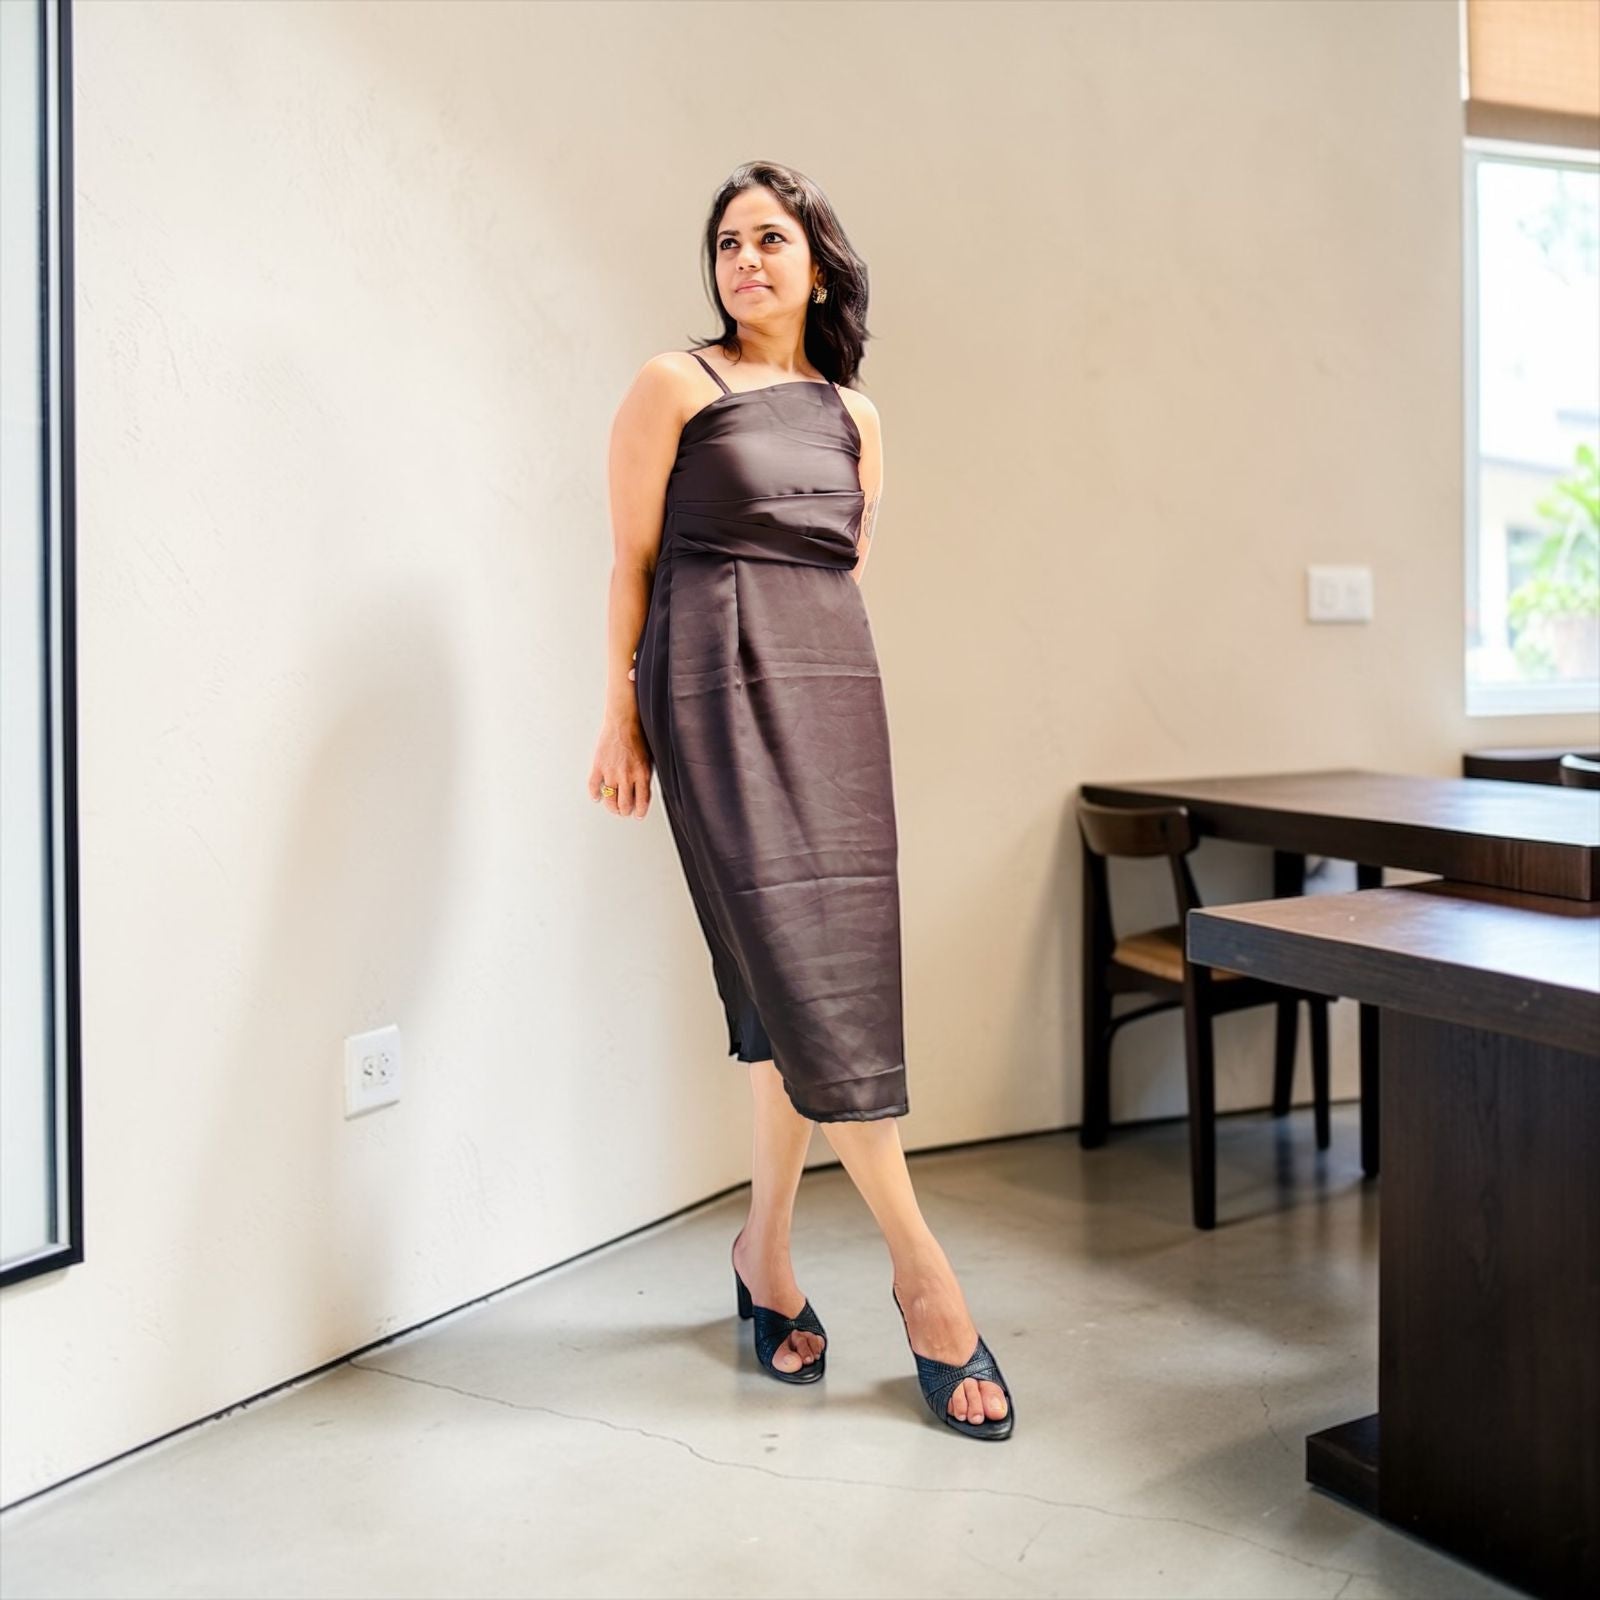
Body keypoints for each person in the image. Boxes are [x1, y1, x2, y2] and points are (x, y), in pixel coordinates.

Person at [588, 161, 1012, 1439]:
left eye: (769, 239)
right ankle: (923, 1274)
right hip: (708, 684)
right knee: (793, 968)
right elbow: (630, 561)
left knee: (806, 982)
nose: (745, 261)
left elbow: (841, 566)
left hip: (829, 689)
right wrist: (620, 713)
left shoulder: (854, 416)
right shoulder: (674, 384)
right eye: (726, 243)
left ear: (816, 266)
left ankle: (762, 1254)